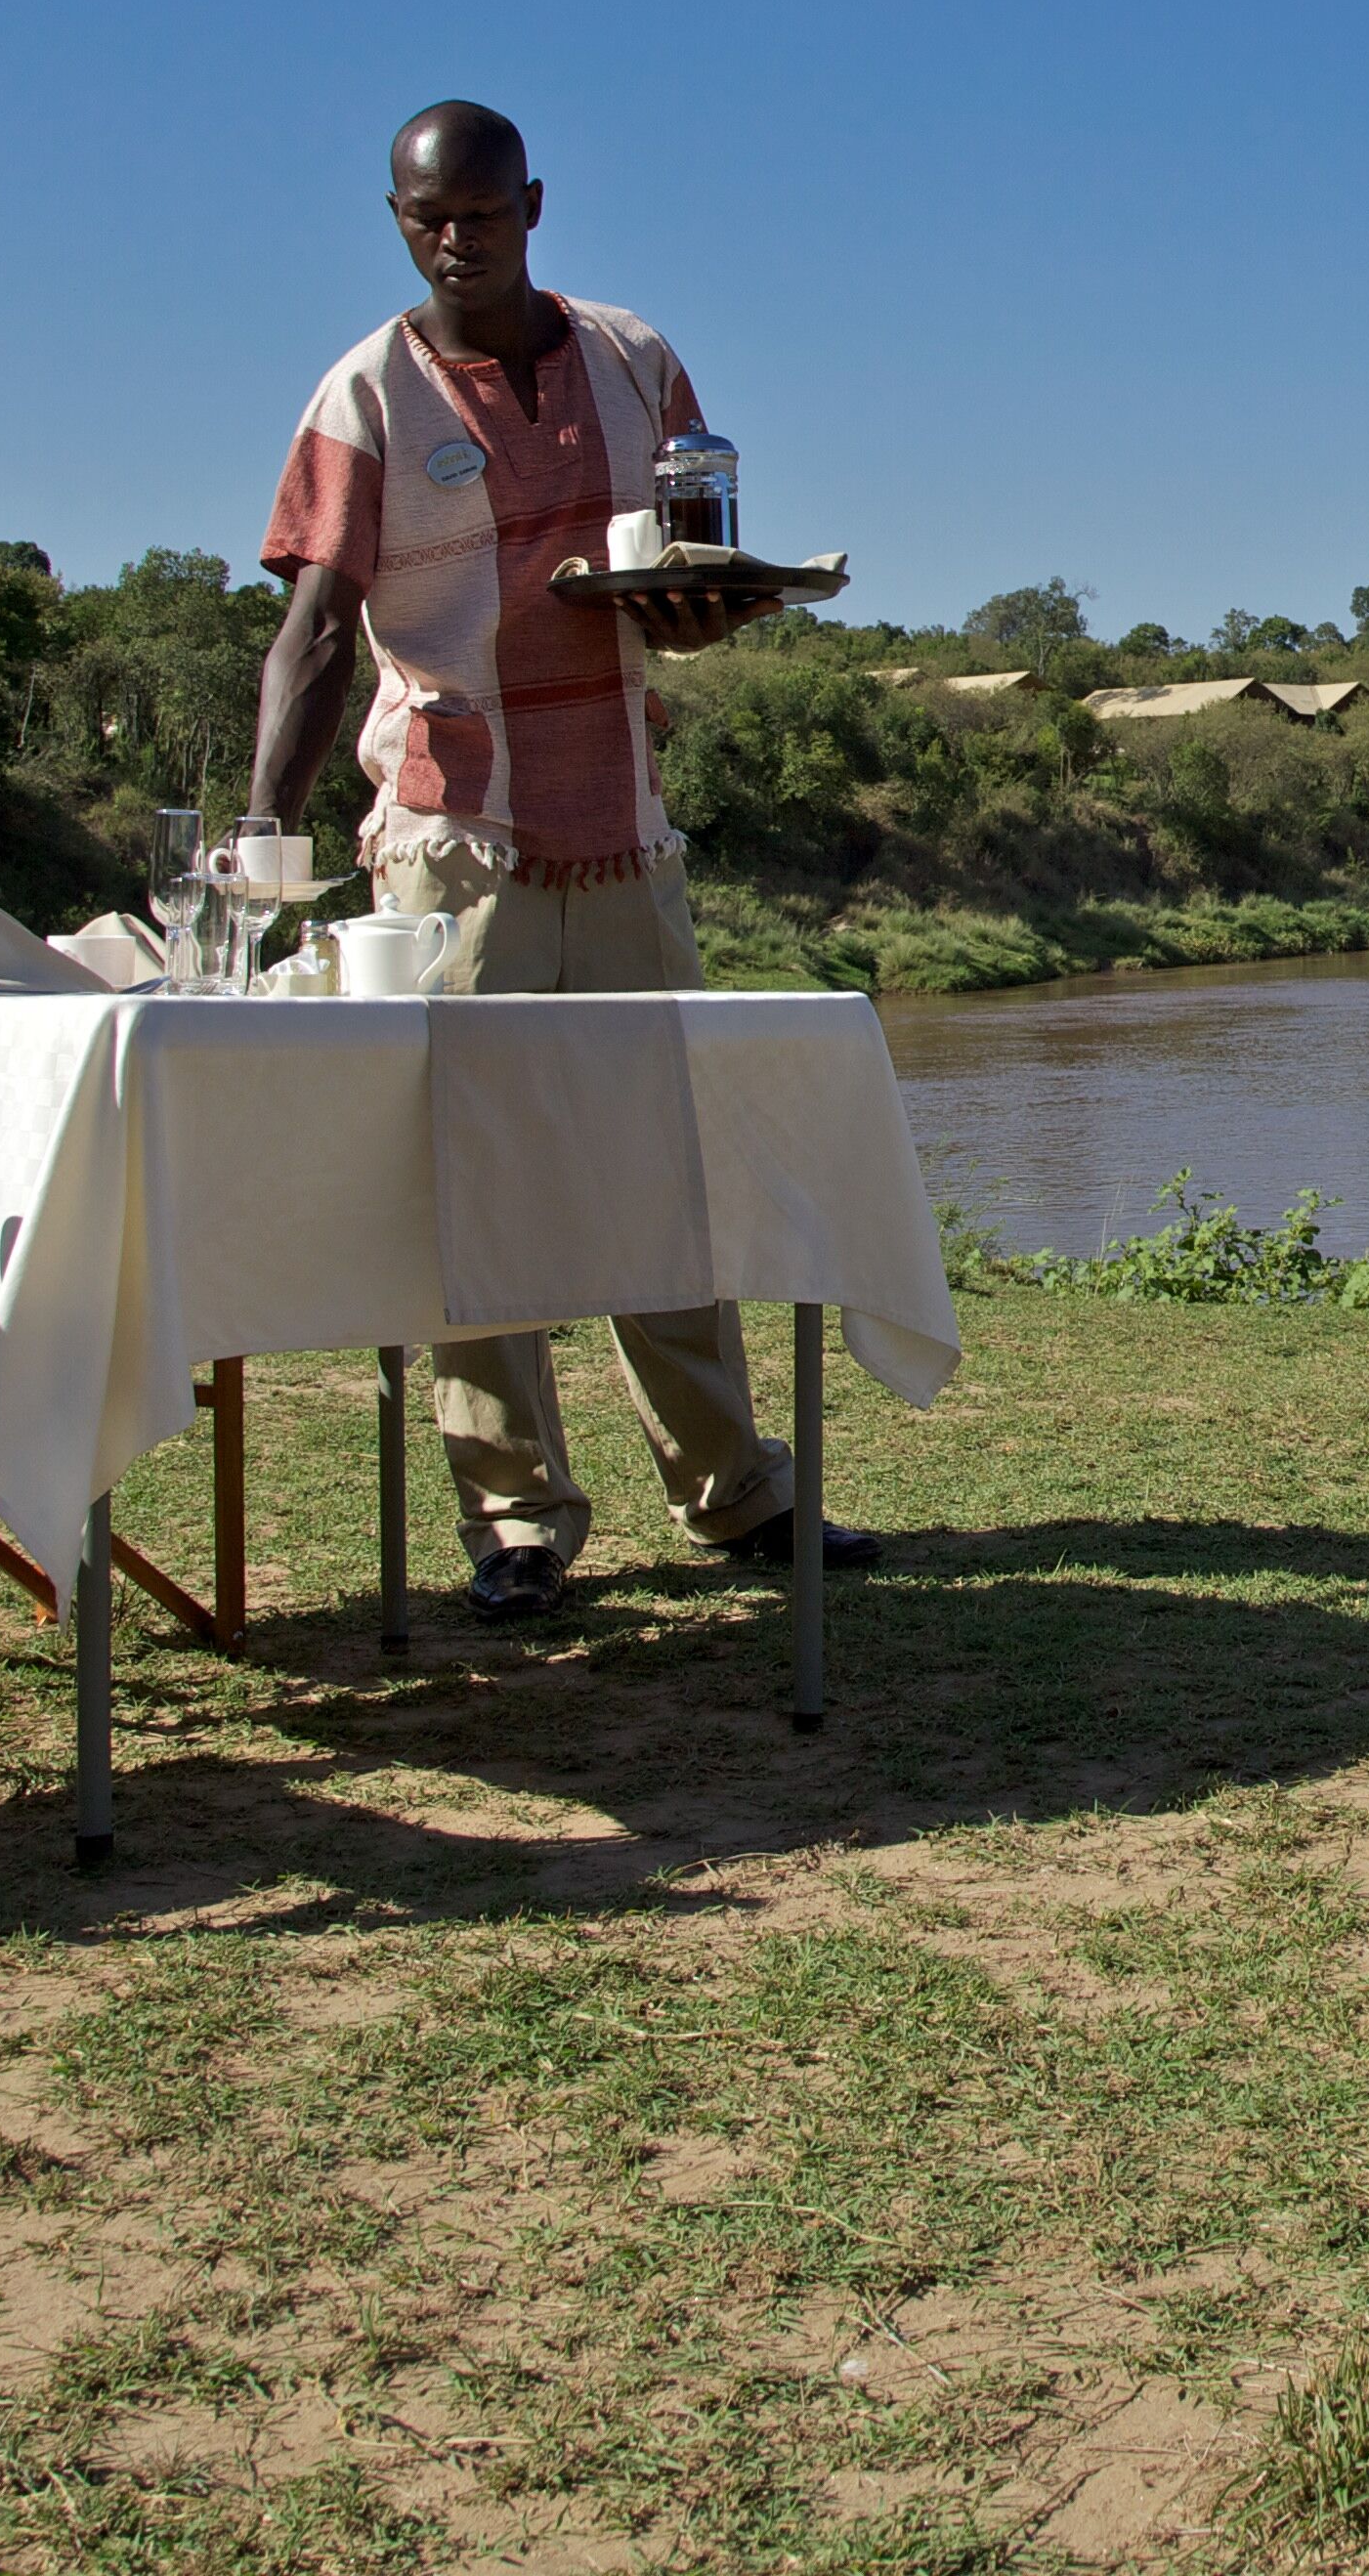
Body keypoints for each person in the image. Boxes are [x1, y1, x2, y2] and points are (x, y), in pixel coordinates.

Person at [250, 98, 882, 1623]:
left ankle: (735, 1491)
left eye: (481, 214)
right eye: (427, 221)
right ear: (398, 223)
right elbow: (317, 629)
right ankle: (517, 1521)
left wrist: (706, 615)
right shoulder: (363, 394)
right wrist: (261, 833)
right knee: (473, 1182)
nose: (456, 242)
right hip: (453, 845)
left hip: (621, 832)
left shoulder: (632, 360)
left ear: (532, 207)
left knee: (662, 1163)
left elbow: (684, 570)